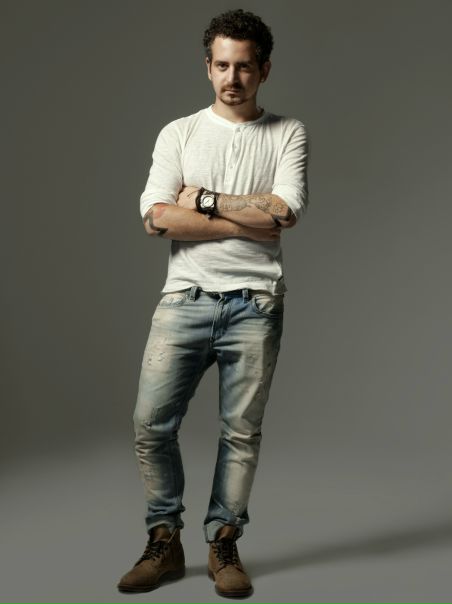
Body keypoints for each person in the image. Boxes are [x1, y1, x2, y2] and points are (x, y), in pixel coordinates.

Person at [117, 8, 309, 599]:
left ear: (264, 70)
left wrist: (202, 201)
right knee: (150, 424)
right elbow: (156, 218)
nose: (232, 78)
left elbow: (286, 211)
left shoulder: (288, 133)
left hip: (256, 303)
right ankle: (164, 540)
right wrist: (247, 219)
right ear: (207, 67)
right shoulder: (178, 133)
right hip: (185, 299)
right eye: (222, 66)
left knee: (241, 433)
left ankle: (224, 542)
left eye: (244, 67)